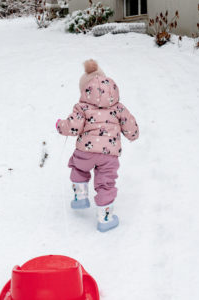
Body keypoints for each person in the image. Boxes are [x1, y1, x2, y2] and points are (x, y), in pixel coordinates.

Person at [56, 59, 139, 232]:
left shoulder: (82, 107)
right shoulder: (118, 108)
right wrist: (133, 135)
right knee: (106, 184)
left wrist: (60, 125)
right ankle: (105, 219)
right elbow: (130, 125)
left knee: (78, 167)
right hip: (109, 155)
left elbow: (72, 126)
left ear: (85, 90)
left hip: (85, 151)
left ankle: (80, 198)